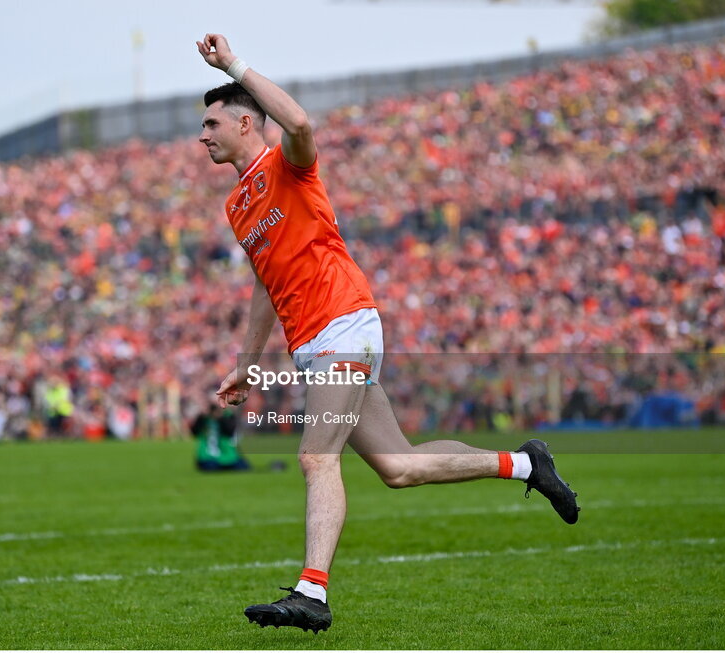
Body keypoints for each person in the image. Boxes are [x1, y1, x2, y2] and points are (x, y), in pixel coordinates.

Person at [196, 33, 579, 633]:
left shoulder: (287, 164)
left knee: (314, 457)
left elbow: (297, 119)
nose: (203, 135)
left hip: (342, 321)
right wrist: (248, 361)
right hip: (314, 339)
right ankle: (527, 465)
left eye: (212, 122)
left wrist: (234, 63)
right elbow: (265, 283)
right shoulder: (237, 204)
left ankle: (311, 592)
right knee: (401, 467)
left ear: (248, 122)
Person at [190, 401, 250, 472]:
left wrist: (220, 418)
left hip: (227, 453)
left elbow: (230, 432)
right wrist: (201, 417)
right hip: (208, 455)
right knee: (210, 466)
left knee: (243, 466)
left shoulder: (227, 416)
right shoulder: (204, 418)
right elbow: (194, 432)